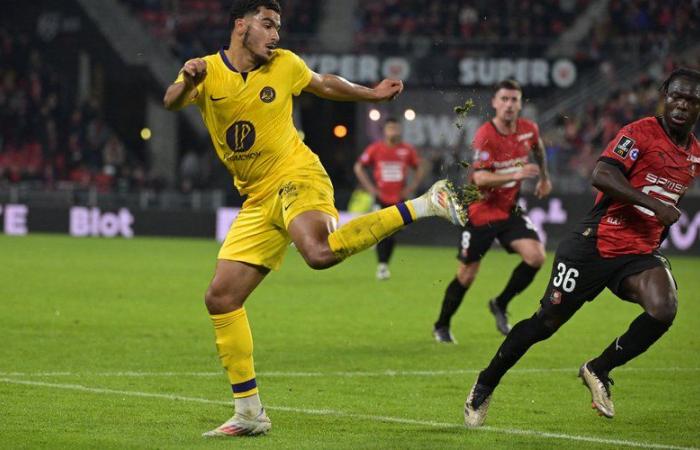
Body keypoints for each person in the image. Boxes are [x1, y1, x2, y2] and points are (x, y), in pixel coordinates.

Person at [163, 0, 468, 438]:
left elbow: (324, 84)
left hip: (296, 175)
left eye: (278, 27)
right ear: (240, 25)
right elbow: (171, 102)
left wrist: (371, 93)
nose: (275, 35)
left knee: (319, 252)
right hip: (255, 199)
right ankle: (249, 412)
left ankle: (424, 204)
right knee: (221, 298)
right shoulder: (206, 70)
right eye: (267, 25)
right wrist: (187, 79)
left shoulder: (285, 64)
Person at [464, 68, 700, 427]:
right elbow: (602, 175)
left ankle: (599, 369)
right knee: (545, 323)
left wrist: (655, 232)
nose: (682, 105)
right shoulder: (638, 133)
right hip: (594, 244)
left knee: (664, 309)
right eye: (676, 96)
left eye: (691, 100)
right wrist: (655, 207)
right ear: (665, 95)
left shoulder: (694, 154)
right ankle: (485, 382)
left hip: (638, 252)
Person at [433, 79, 551, 343]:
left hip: (509, 211)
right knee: (466, 275)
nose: (509, 105)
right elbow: (481, 180)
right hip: (480, 213)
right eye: (504, 99)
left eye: (514, 100)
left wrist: (544, 177)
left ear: (520, 104)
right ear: (495, 103)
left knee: (536, 257)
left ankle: (500, 302)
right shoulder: (485, 134)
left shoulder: (528, 129)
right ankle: (442, 324)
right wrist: (516, 172)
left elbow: (539, 147)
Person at [353, 117, 425, 280]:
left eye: (396, 128)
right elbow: (358, 167)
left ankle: (384, 264)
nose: (394, 131)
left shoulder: (407, 150)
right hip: (381, 198)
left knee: (392, 233)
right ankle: (382, 266)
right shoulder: (376, 149)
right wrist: (370, 188)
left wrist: (411, 188)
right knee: (382, 231)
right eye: (390, 128)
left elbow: (420, 167)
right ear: (384, 131)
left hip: (398, 198)